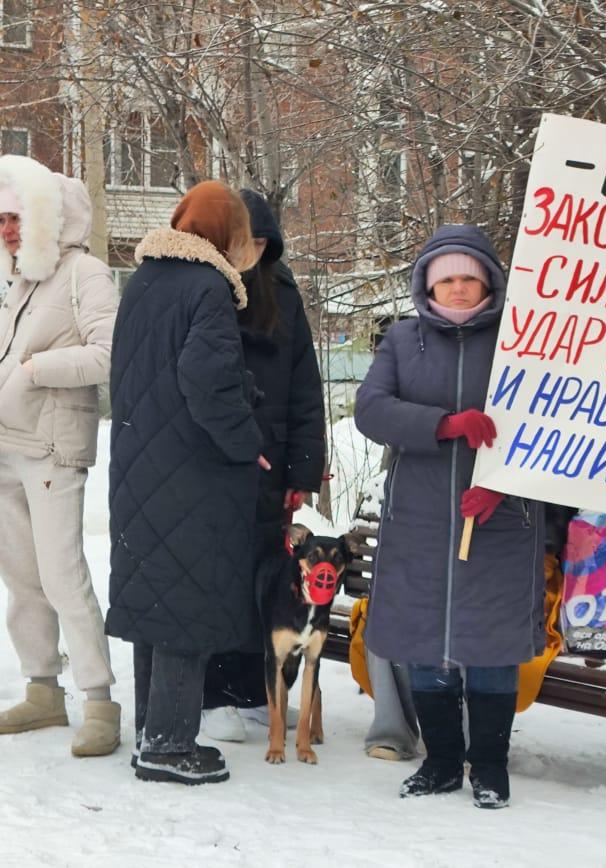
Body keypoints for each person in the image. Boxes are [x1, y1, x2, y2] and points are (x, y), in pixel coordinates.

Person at [355, 224, 545, 809]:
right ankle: (439, 762)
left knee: (489, 646)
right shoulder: (403, 340)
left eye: (469, 278)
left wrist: (502, 485)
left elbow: (551, 425)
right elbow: (371, 409)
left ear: (488, 280)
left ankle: (488, 765)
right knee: (426, 644)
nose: (459, 290)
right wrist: (442, 424)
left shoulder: (524, 342)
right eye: (447, 280)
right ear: (427, 286)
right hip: (419, 518)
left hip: (501, 519)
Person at [106, 180, 263, 785]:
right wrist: (246, 441)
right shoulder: (208, 286)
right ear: (224, 234)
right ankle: (169, 747)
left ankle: (153, 731)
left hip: (142, 465)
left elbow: (151, 371)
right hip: (192, 473)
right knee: (185, 605)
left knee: (155, 600)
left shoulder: (144, 281)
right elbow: (204, 381)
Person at [0, 154, 120, 757]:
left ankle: (98, 698)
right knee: (22, 579)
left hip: (52, 448)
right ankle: (43, 688)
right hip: (5, 451)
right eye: (2, 219)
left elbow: (110, 352)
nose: (8, 230)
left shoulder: (84, 274)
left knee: (61, 574)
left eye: (19, 217)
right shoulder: (17, 281)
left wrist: (34, 369)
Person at [199, 189, 325, 742]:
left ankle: (256, 692)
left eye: (259, 243)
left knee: (263, 579)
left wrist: (302, 471)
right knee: (216, 577)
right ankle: (213, 695)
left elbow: (304, 390)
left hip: (270, 465)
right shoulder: (202, 289)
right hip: (214, 460)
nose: (248, 252)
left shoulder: (285, 295)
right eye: (241, 241)